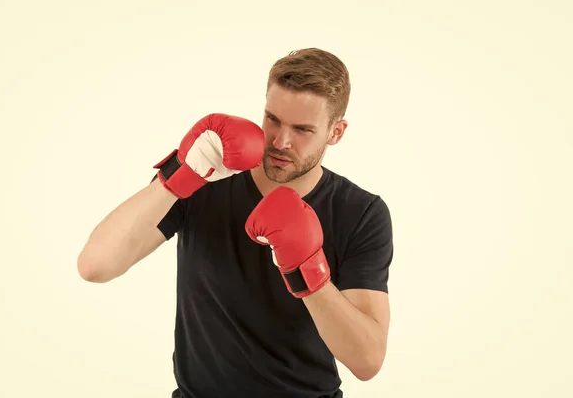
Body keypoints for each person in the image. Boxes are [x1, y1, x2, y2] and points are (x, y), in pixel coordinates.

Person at [77, 48, 394, 398]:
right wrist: (178, 174)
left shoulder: (360, 212)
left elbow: (367, 361)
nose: (280, 141)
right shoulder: (206, 177)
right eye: (273, 119)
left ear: (336, 132)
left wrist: (309, 272)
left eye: (302, 129)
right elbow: (95, 266)